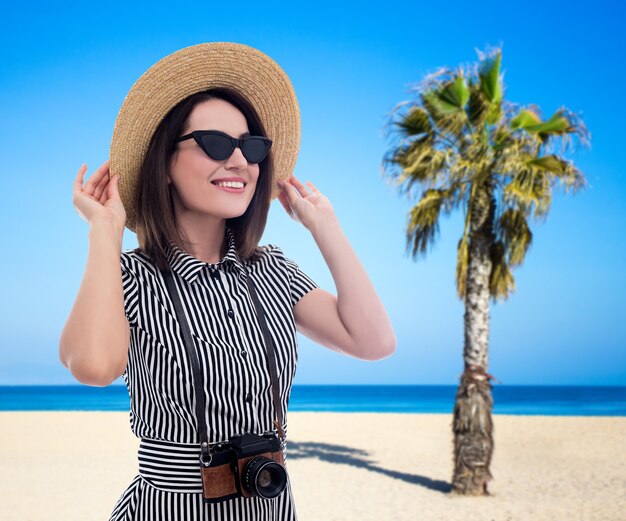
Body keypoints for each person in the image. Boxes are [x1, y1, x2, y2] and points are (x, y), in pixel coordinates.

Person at [59, 42, 396, 521]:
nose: (240, 162)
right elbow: (92, 366)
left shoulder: (271, 270)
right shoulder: (131, 277)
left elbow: (374, 341)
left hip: (271, 504)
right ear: (166, 163)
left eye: (252, 147)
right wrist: (106, 231)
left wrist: (325, 226)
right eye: (217, 143)